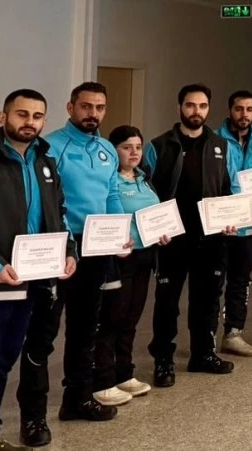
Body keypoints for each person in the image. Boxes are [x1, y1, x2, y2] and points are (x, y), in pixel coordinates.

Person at [16, 83, 122, 445]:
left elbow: (111, 194)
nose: (93, 113)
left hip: (96, 249)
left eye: (100, 107)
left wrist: (120, 232)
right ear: (70, 107)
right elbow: (48, 202)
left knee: (86, 328)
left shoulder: (107, 150)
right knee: (43, 333)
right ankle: (33, 417)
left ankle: (78, 398)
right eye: (86, 106)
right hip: (56, 249)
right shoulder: (50, 148)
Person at [0, 89, 78, 451]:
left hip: (32, 278)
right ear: (3, 117)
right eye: (22, 114)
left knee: (4, 359)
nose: (30, 122)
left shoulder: (46, 161)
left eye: (37, 116)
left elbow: (59, 213)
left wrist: (68, 252)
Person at [142, 83, 240, 390]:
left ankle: (203, 354)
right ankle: (163, 360)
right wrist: (152, 228)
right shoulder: (158, 146)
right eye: (190, 105)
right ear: (179, 108)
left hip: (210, 239)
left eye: (202, 106)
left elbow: (229, 188)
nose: (196, 111)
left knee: (207, 300)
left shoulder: (221, 146)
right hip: (171, 240)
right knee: (167, 303)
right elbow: (146, 191)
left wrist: (231, 219)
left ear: (208, 109)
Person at [92, 126, 170, 407]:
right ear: (113, 151)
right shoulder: (109, 181)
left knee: (131, 318)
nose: (134, 152)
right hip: (118, 260)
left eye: (138, 147)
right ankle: (102, 379)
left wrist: (163, 233)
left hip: (145, 256)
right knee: (112, 317)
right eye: (127, 147)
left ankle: (124, 372)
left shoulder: (144, 180)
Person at [217, 90, 252, 358]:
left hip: (249, 227)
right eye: (239, 109)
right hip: (220, 225)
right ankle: (205, 337)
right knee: (212, 283)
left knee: (240, 282)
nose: (244, 114)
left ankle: (233, 334)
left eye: (249, 109)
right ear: (230, 111)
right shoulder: (215, 141)